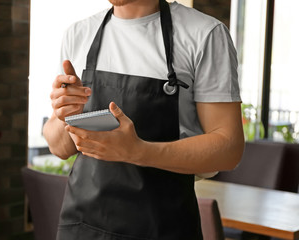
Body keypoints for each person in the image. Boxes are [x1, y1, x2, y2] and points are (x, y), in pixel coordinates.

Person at [43, 0, 245, 239]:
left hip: (164, 229)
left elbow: (229, 148)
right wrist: (64, 113)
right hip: (84, 228)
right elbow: (60, 147)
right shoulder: (78, 34)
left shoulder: (204, 34)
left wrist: (138, 151)